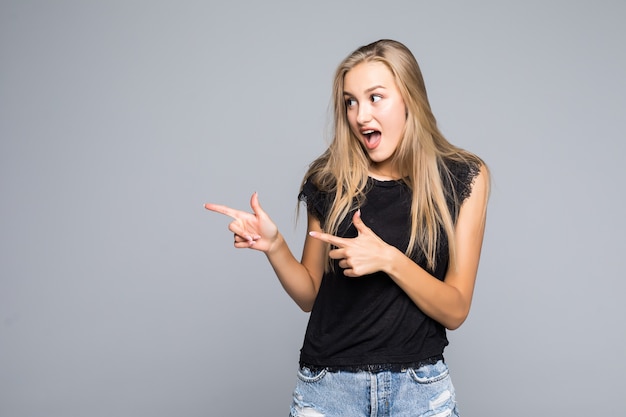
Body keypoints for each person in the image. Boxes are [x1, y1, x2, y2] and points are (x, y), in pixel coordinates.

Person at [205, 39, 489, 417]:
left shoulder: (462, 177)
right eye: (350, 101)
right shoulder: (328, 180)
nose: (360, 115)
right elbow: (309, 295)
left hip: (419, 392)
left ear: (410, 98)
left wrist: (388, 259)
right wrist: (275, 248)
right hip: (329, 391)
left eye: (375, 97)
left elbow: (455, 310)